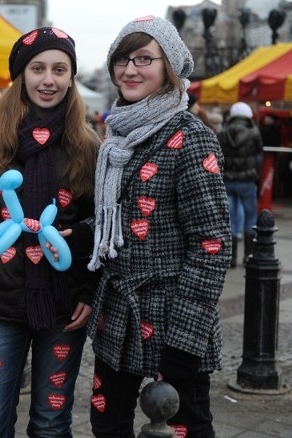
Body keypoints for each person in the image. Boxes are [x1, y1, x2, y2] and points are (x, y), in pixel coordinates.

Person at [0, 27, 101, 437]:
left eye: (59, 69)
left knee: (51, 424)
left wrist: (87, 289)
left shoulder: (87, 145)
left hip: (64, 305)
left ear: (71, 77)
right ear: (21, 75)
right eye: (38, 68)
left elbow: (99, 227)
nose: (48, 80)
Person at [86, 16, 231, 437]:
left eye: (144, 59)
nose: (129, 70)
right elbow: (116, 222)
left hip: (171, 321)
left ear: (170, 66)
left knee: (186, 428)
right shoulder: (117, 138)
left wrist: (183, 343)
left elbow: (212, 244)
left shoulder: (191, 137)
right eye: (121, 59)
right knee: (107, 426)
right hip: (117, 319)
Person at [217, 102, 263, 268]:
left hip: (228, 180)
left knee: (230, 220)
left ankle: (231, 258)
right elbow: (258, 156)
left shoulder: (222, 132)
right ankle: (248, 256)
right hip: (247, 181)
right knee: (250, 218)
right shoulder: (254, 132)